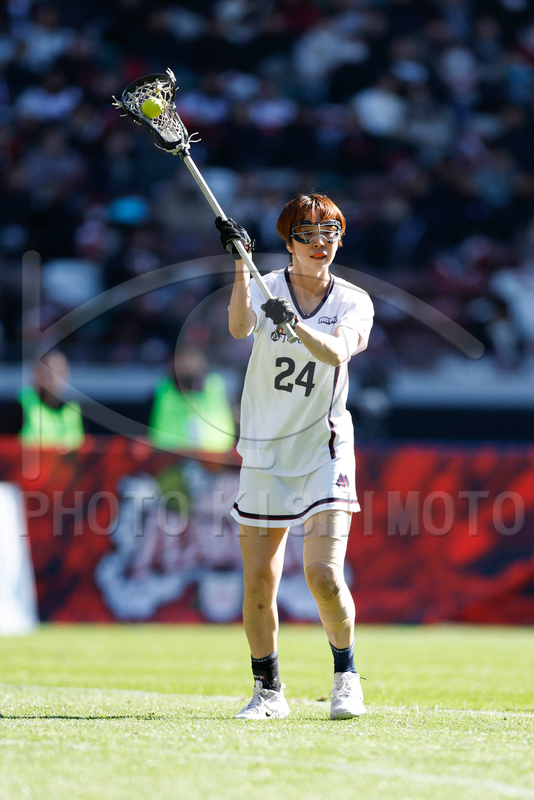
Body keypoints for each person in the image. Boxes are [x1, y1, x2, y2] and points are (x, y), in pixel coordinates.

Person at [215, 192, 374, 720]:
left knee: (323, 575)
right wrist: (241, 267)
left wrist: (294, 323)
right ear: (289, 242)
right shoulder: (266, 286)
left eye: (330, 232)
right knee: (259, 583)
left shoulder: (353, 300)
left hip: (323, 451)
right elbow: (240, 327)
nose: (320, 243)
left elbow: (336, 351)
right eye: (307, 234)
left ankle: (346, 678)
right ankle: (268, 692)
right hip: (265, 453)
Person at [148, 346, 235, 453]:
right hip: (172, 454)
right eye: (183, 363)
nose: (188, 366)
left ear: (203, 363)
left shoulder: (215, 385)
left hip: (213, 455)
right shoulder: (165, 387)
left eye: (192, 362)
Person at [18, 350, 84, 450]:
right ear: (37, 373)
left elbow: (79, 444)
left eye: (59, 372)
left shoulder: (72, 408)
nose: (54, 377)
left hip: (63, 461)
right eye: (49, 372)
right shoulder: (23, 403)